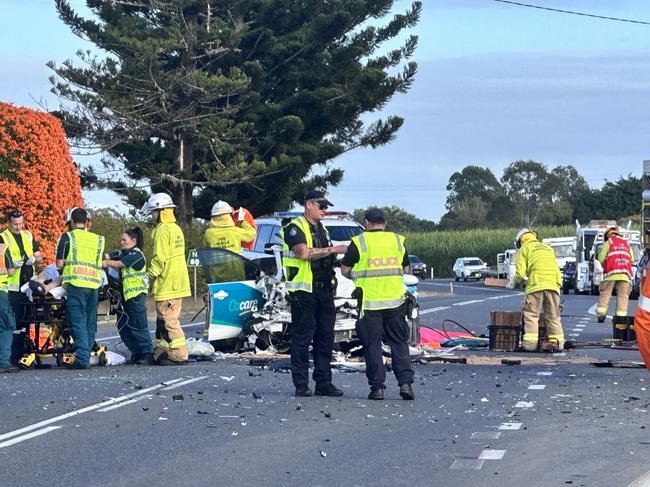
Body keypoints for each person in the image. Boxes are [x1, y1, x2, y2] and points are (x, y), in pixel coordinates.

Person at [340, 208, 415, 400]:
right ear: (385, 222)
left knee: (372, 346)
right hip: (395, 303)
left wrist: (358, 277)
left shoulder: (359, 242)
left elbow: (345, 270)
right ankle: (405, 384)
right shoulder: (397, 241)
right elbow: (406, 269)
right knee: (399, 344)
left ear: (366, 222)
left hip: (370, 305)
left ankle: (377, 388)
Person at [281, 190, 348, 397]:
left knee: (325, 338)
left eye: (327, 207)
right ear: (309, 204)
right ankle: (301, 384)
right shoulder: (294, 228)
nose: (325, 211)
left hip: (325, 290)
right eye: (322, 207)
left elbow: (325, 256)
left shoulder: (322, 229)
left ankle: (323, 382)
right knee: (302, 340)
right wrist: (334, 250)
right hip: (304, 292)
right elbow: (303, 253)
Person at [141, 193, 191, 366]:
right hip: (176, 281)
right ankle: (162, 351)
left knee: (169, 320)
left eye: (154, 212)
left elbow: (160, 259)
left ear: (161, 211)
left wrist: (148, 276)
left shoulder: (162, 231)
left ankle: (179, 354)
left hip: (168, 283)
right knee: (162, 320)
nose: (153, 215)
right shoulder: (176, 229)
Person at [56, 208, 105, 369]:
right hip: (94, 286)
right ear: (87, 223)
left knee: (78, 322)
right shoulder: (98, 239)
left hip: (77, 285)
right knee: (90, 322)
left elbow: (59, 264)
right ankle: (87, 353)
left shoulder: (67, 237)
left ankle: (83, 358)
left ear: (71, 221)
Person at [102, 227, 154, 364]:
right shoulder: (124, 253)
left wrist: (105, 263)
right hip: (126, 296)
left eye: (124, 239)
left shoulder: (136, 255)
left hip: (136, 296)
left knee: (138, 325)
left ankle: (147, 353)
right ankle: (136, 353)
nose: (122, 242)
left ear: (133, 240)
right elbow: (109, 256)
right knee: (124, 325)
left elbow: (119, 264)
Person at [508, 228, 564, 352]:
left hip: (536, 285)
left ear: (520, 241)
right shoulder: (547, 248)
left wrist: (513, 283)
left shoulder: (524, 249)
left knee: (531, 315)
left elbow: (520, 274)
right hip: (554, 285)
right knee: (553, 316)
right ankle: (558, 344)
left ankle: (530, 345)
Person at [1, 209, 43, 364]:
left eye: (20, 223)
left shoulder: (28, 235)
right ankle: (12, 356)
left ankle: (22, 351)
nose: (18, 227)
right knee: (14, 322)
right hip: (13, 286)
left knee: (26, 321)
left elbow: (39, 256)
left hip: (28, 285)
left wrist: (35, 259)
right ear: (8, 223)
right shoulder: (3, 237)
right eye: (15, 224)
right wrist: (13, 266)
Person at [596, 226, 633, 323]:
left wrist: (606, 263)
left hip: (611, 273)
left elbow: (600, 258)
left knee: (605, 293)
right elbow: (632, 259)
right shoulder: (626, 244)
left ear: (608, 236)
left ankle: (601, 315)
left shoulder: (609, 242)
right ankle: (621, 318)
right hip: (625, 273)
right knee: (623, 296)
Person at [0, 240, 17, 373]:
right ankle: (4, 363)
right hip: (1, 292)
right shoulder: (3, 248)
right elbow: (11, 271)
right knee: (6, 325)